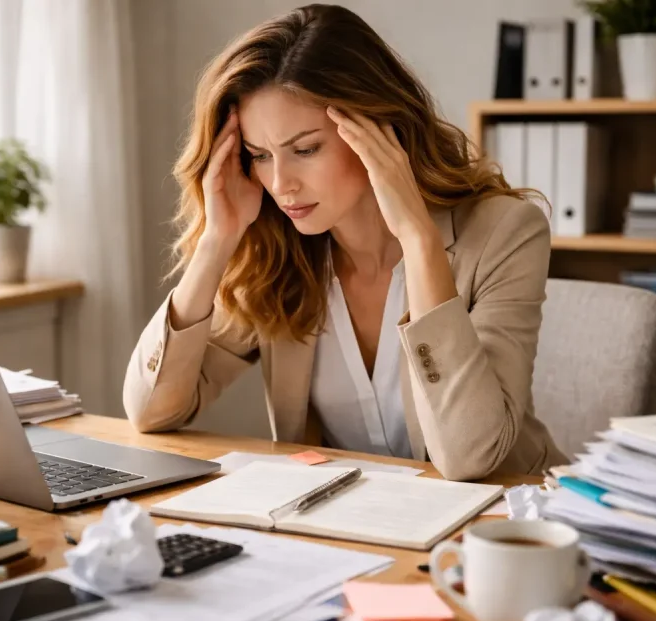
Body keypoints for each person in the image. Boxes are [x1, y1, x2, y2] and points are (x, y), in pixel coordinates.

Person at [123, 3, 567, 481]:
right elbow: (152, 412)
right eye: (259, 156)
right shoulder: (278, 250)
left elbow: (471, 457)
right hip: (348, 529)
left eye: (306, 149)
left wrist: (419, 242)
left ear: (380, 127)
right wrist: (216, 240)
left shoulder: (505, 233)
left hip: (498, 525)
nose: (280, 183)